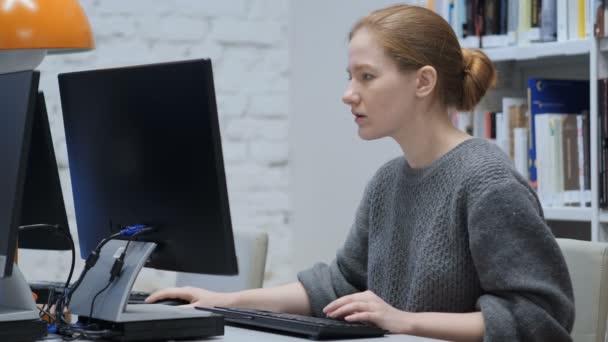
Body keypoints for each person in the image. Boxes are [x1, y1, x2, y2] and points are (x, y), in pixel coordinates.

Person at [147, 4, 574, 341]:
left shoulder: (487, 181)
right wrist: (223, 302)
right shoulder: (388, 181)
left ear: (423, 82)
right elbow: (339, 285)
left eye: (367, 77)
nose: (348, 94)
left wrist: (406, 321)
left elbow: (539, 318)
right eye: (350, 76)